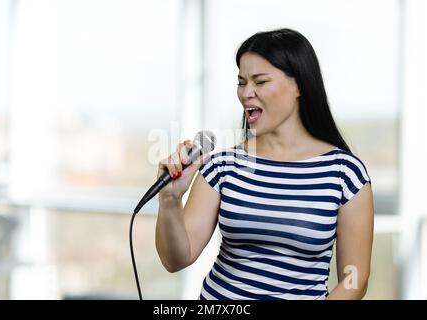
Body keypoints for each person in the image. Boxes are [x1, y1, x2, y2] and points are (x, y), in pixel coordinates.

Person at [155, 28, 373, 300]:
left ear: (299, 85)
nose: (246, 93)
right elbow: (176, 259)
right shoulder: (223, 166)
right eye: (241, 82)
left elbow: (355, 278)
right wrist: (169, 200)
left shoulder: (345, 174)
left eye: (259, 82)